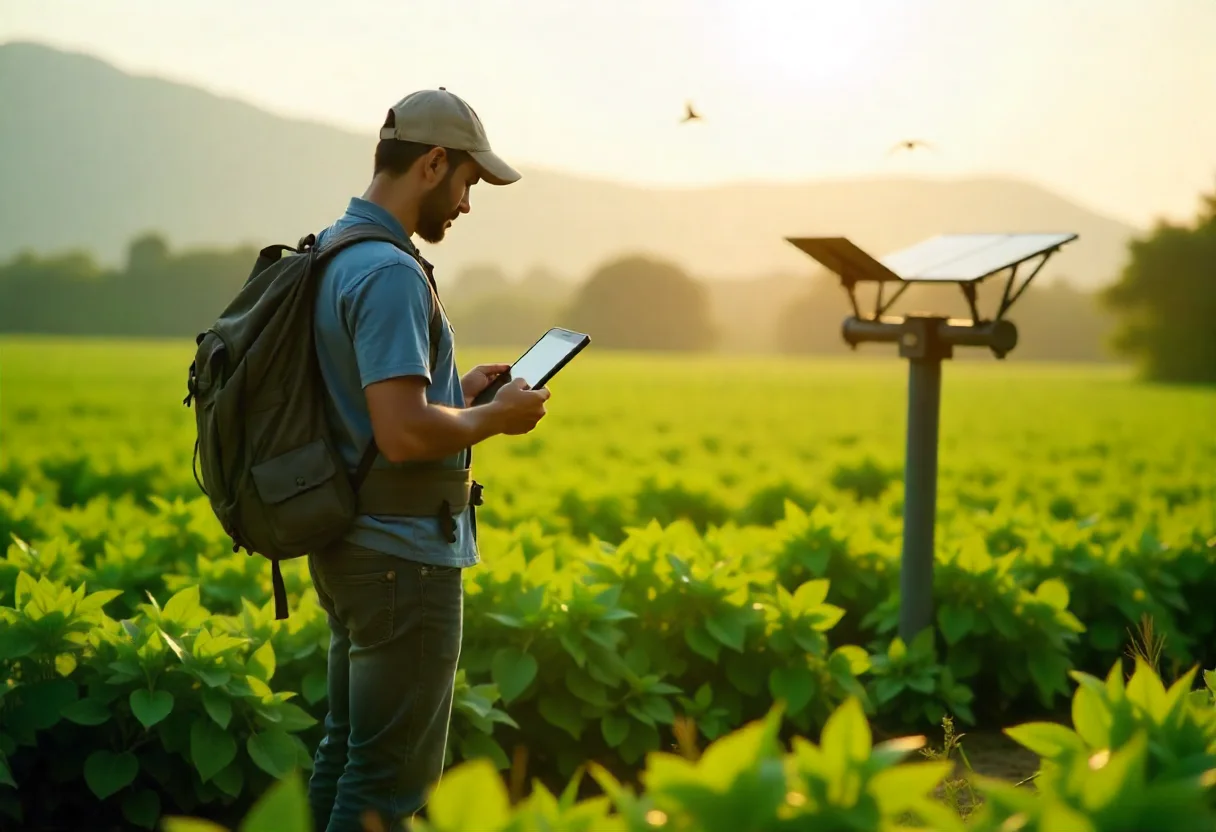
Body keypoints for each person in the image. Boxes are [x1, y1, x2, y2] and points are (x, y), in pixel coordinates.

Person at [304, 88, 550, 832]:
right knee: (387, 783)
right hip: (401, 558)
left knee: (345, 757)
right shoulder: (389, 274)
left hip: (351, 544)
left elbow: (378, 407)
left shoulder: (334, 249)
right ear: (433, 163)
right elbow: (405, 434)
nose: (467, 204)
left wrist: (461, 392)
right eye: (468, 182)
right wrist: (495, 419)